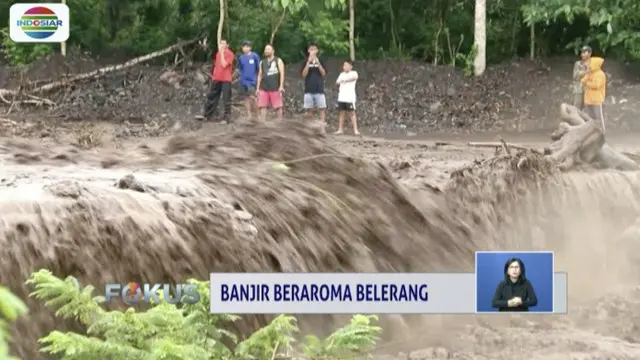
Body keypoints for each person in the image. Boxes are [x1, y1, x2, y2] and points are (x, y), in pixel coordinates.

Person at [197, 39, 234, 122]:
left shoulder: (230, 54)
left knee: (226, 98)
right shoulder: (218, 54)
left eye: (224, 44)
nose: (222, 45)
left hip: (226, 79)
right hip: (217, 78)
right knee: (211, 96)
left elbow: (224, 64)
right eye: (221, 43)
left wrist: (221, 54)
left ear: (227, 45)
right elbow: (217, 66)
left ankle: (227, 118)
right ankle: (207, 115)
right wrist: (214, 76)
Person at [301, 42, 327, 128]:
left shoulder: (321, 60)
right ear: (308, 50)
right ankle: (309, 128)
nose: (313, 51)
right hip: (308, 89)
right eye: (311, 49)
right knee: (309, 110)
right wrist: (308, 62)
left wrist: (318, 63)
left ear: (317, 50)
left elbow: (323, 73)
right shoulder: (305, 61)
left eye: (314, 49)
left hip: (319, 89)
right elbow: (304, 75)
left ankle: (321, 128)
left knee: (322, 109)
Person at [256, 44, 285, 121]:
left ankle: (280, 121)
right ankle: (263, 122)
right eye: (265, 49)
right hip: (264, 87)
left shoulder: (278, 60)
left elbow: (282, 74)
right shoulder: (262, 62)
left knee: (278, 106)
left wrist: (281, 86)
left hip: (275, 87)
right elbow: (259, 75)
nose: (266, 51)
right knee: (263, 105)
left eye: (268, 49)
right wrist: (257, 88)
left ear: (273, 51)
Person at [581, 56, 607, 132]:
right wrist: (587, 76)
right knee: (590, 119)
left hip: (596, 100)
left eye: (590, 63)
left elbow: (596, 85)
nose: (588, 65)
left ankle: (602, 133)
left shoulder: (600, 74)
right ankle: (592, 134)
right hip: (588, 99)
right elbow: (582, 80)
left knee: (598, 118)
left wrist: (587, 83)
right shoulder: (590, 73)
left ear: (594, 64)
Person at [237, 40, 261, 119]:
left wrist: (258, 79)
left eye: (247, 46)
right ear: (242, 48)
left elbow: (259, 69)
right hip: (243, 81)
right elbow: (240, 69)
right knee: (246, 98)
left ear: (250, 48)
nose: (245, 48)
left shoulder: (254, 56)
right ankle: (249, 115)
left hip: (252, 81)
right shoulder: (241, 57)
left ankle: (258, 115)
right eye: (244, 46)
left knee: (253, 97)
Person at [334, 60, 359, 135]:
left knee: (352, 113)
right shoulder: (342, 74)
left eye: (347, 65)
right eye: (344, 65)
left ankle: (355, 130)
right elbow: (337, 82)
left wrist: (345, 80)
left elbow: (355, 77)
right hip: (342, 97)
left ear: (351, 66)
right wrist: (343, 80)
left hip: (350, 98)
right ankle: (340, 129)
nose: (345, 67)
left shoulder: (354, 73)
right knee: (341, 113)